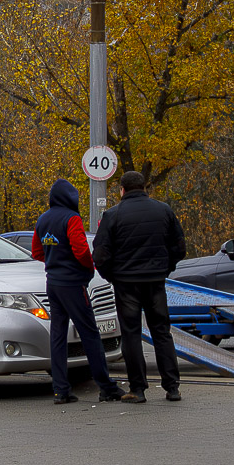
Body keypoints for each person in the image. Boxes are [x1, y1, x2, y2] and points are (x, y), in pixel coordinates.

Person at [93, 171, 186, 403]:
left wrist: (112, 276)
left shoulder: (112, 215)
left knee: (131, 334)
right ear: (144, 187)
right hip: (155, 281)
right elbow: (179, 246)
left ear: (122, 190)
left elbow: (101, 254)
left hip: (126, 284)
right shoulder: (163, 210)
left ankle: (138, 389)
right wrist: (165, 268)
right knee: (162, 332)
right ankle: (172, 387)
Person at [31, 179, 124, 405]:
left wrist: (54, 262)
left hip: (52, 283)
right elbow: (81, 249)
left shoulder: (43, 219)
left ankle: (60, 390)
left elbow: (36, 251)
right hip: (73, 284)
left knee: (58, 336)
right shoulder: (71, 218)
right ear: (70, 198)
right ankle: (106, 386)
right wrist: (87, 267)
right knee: (90, 334)